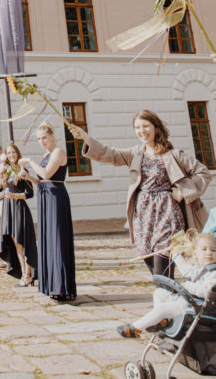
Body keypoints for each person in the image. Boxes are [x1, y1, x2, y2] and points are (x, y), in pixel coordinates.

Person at [71, 110, 211, 277]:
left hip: (169, 217)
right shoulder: (135, 153)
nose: (141, 131)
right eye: (137, 127)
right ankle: (171, 298)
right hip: (143, 220)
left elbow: (203, 173)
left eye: (146, 126)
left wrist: (183, 192)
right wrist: (86, 138)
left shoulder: (173, 155)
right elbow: (109, 154)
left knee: (163, 269)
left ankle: (170, 296)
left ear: (156, 127)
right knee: (156, 273)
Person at [118, 233, 216, 338]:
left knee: (162, 309)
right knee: (159, 292)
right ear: (195, 253)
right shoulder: (197, 268)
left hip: (196, 308)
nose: (209, 253)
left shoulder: (213, 273)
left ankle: (135, 328)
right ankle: (162, 321)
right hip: (186, 301)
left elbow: (207, 291)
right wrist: (175, 255)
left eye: (214, 250)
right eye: (204, 249)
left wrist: (188, 286)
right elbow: (185, 269)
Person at [22, 121, 76, 302]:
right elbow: (41, 181)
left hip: (56, 198)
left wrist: (30, 161)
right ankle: (51, 283)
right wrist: (29, 177)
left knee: (58, 239)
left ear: (52, 136)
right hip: (45, 196)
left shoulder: (58, 152)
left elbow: (46, 174)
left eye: (44, 137)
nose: (41, 141)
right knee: (48, 239)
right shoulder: (46, 155)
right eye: (38, 139)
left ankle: (61, 285)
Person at [0, 143, 37, 286]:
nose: (11, 155)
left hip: (19, 208)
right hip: (9, 209)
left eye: (13, 152)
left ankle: (28, 275)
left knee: (22, 241)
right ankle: (23, 273)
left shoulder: (22, 170)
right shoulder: (7, 170)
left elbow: (30, 193)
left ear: (18, 154)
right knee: (16, 243)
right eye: (8, 153)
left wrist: (15, 197)